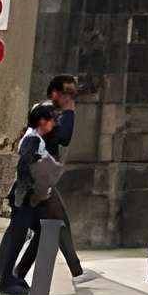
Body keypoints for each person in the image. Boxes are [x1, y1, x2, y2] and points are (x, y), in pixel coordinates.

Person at [0, 103, 63, 294]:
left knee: (38, 232)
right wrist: (28, 191)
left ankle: (14, 275)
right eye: (52, 120)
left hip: (28, 195)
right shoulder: (32, 139)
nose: (54, 124)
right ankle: (6, 280)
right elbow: (24, 165)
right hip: (25, 195)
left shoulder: (35, 138)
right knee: (18, 236)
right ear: (42, 121)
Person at [35, 76, 87, 279]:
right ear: (55, 92)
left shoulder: (47, 109)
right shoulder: (47, 111)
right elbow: (63, 137)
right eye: (68, 92)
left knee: (53, 222)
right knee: (56, 222)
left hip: (41, 175)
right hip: (39, 176)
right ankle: (77, 271)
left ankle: (8, 273)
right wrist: (70, 111)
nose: (71, 97)